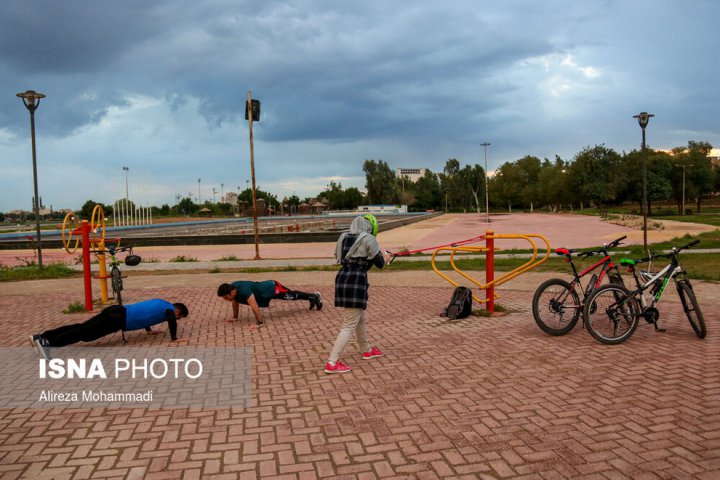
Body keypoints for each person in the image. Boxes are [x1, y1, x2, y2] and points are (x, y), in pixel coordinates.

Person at [324, 214, 391, 374]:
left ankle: (366, 350)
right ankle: (332, 362)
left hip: (342, 278)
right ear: (370, 226)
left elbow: (348, 260)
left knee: (359, 317)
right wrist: (386, 257)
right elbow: (380, 264)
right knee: (348, 324)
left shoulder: (343, 236)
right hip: (356, 281)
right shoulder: (369, 239)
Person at [29, 299, 189, 359]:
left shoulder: (161, 304)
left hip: (117, 311)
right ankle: (47, 343)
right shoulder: (168, 309)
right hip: (118, 318)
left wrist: (148, 330)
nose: (176, 319)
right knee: (84, 333)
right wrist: (174, 338)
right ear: (177, 311)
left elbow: (145, 313)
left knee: (82, 327)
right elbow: (170, 319)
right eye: (179, 317)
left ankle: (41, 336)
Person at [217, 281, 322, 326]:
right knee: (292, 296)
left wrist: (260, 323)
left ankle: (315, 296)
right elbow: (235, 302)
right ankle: (312, 297)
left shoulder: (244, 291)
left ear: (232, 292)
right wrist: (235, 317)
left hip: (273, 288)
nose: (225, 299)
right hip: (266, 292)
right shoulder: (233, 290)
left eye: (226, 297)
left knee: (292, 296)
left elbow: (254, 306)